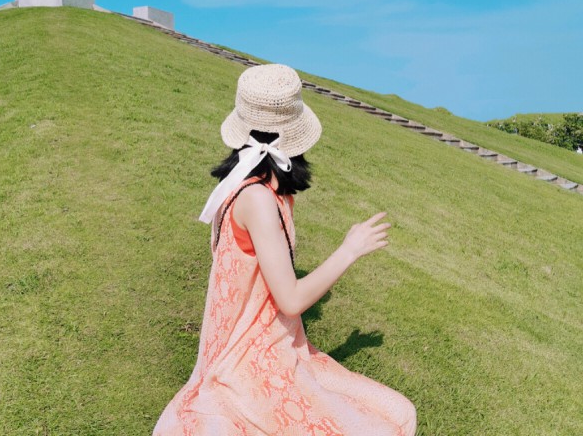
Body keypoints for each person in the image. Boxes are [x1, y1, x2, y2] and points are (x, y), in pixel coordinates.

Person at [153, 64, 417, 435]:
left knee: (400, 412)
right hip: (250, 359)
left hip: (277, 345)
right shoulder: (257, 198)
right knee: (386, 425)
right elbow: (290, 301)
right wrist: (349, 249)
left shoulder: (267, 190)